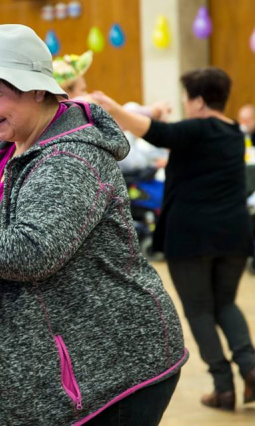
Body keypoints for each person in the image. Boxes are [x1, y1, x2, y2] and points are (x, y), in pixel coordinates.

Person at [0, 24, 187, 425]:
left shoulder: (70, 159)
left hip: (112, 365)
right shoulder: (4, 153)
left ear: (36, 91)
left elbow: (31, 251)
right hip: (69, 357)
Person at [92, 67, 255, 411]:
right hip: (233, 232)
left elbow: (154, 131)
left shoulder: (195, 129)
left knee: (199, 308)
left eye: (187, 99)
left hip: (192, 234)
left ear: (199, 101)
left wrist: (113, 107)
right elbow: (176, 138)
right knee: (225, 304)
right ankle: (251, 369)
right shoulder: (233, 132)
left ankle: (223, 387)